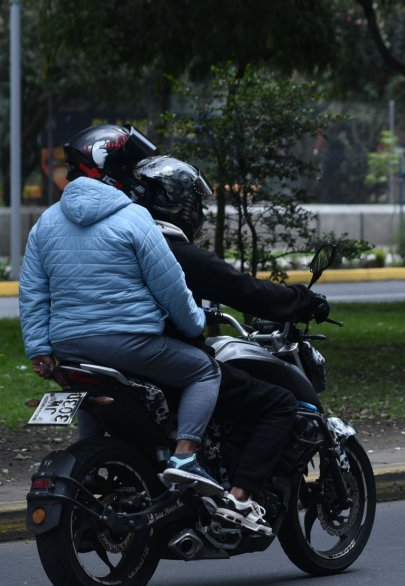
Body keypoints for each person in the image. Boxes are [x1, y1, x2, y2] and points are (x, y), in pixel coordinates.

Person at [131, 155, 331, 535]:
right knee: (277, 403)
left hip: (103, 356)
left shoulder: (121, 246)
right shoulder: (174, 252)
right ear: (182, 204)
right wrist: (303, 300)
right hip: (162, 360)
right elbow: (246, 290)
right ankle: (240, 499)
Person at [18, 126, 222, 495]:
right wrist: (194, 325)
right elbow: (170, 286)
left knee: (88, 389)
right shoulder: (134, 218)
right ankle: (185, 458)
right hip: (129, 343)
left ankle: (89, 469)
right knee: (204, 371)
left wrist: (39, 349)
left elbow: (33, 290)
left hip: (68, 347)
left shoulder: (45, 223)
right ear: (113, 169)